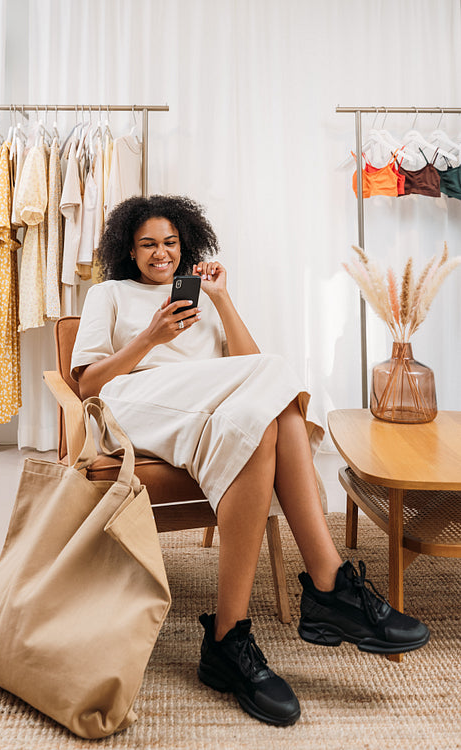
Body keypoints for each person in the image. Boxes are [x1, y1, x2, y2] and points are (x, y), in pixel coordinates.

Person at [71, 195, 430, 727]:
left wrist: (222, 299)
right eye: (148, 244)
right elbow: (87, 385)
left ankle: (227, 639)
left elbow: (251, 369)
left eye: (170, 243)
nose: (161, 253)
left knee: (270, 419)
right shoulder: (109, 294)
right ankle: (329, 588)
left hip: (201, 414)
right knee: (275, 384)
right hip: (133, 404)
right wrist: (152, 337)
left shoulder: (200, 301)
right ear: (129, 248)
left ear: (184, 245)